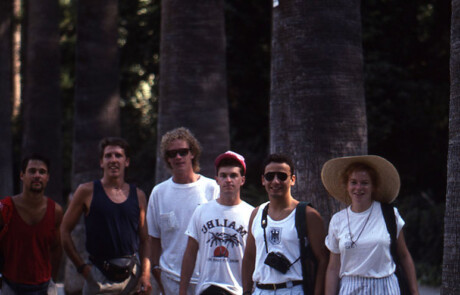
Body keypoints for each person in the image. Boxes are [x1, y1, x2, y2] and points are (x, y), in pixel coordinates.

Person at [61, 137, 151, 295]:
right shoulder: (86, 191)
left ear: (127, 161)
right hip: (98, 279)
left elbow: (145, 240)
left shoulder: (139, 195)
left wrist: (145, 275)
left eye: (118, 155)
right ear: (101, 162)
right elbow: (64, 230)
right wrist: (83, 268)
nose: (113, 160)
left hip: (131, 278)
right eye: (108, 155)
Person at [321, 155, 419, 295]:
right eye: (353, 182)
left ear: (373, 186)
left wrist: (414, 291)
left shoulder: (390, 215)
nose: (358, 188)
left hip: (385, 286)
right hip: (350, 288)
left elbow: (404, 256)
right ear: (347, 185)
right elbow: (333, 268)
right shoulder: (338, 220)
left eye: (365, 183)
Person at [242, 153, 329, 295]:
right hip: (260, 290)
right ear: (263, 180)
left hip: (293, 289)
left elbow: (323, 260)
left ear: (292, 180)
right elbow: (249, 256)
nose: (276, 181)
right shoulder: (257, 213)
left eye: (282, 176)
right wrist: (246, 291)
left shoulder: (308, 215)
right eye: (270, 176)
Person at [147, 127, 219, 295]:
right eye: (172, 154)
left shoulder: (212, 188)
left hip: (206, 280)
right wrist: (157, 273)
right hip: (170, 280)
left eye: (183, 152)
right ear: (167, 159)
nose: (178, 157)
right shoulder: (158, 193)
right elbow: (154, 240)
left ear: (192, 153)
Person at [179, 151, 254, 295]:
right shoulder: (202, 211)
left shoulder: (251, 214)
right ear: (217, 180)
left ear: (242, 180)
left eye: (233, 175)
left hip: (238, 290)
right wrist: (182, 291)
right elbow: (190, 253)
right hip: (207, 289)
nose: (228, 180)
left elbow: (255, 258)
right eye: (223, 175)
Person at [0, 154, 63, 295]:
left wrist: (52, 280)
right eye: (32, 171)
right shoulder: (5, 208)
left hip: (44, 287)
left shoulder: (56, 211)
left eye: (42, 172)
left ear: (48, 177)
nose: (37, 176)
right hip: (11, 286)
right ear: (22, 175)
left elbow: (56, 248)